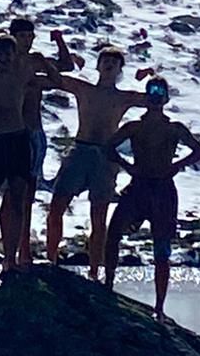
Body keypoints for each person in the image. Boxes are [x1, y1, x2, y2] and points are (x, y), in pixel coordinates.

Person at [104, 77, 200, 321]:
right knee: (114, 233)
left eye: (160, 93)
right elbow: (108, 147)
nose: (156, 97)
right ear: (146, 97)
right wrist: (127, 166)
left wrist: (177, 165)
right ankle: (108, 285)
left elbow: (199, 151)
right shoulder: (135, 127)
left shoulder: (174, 128)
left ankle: (159, 306)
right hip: (139, 186)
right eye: (152, 92)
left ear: (166, 99)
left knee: (162, 247)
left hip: (162, 189)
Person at [44, 47, 151, 279]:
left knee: (99, 217)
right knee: (56, 208)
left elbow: (157, 98)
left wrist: (150, 76)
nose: (109, 64)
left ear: (120, 69)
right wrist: (61, 55)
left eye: (114, 62)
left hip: (104, 156)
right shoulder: (84, 89)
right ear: (98, 65)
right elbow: (54, 78)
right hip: (80, 149)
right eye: (105, 60)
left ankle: (94, 271)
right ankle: (51, 259)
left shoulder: (123, 97)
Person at [0, 31, 48, 288]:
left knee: (17, 203)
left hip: (18, 141)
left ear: (14, 55)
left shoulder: (22, 76)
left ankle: (10, 259)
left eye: (7, 53)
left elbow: (55, 80)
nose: (3, 58)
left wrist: (42, 61)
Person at [8, 16, 79, 265]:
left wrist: (57, 43)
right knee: (10, 194)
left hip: (33, 132)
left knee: (28, 191)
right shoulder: (6, 62)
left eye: (30, 36)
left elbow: (65, 70)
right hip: (10, 132)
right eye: (22, 36)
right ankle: (11, 250)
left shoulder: (35, 62)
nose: (26, 41)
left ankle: (24, 249)